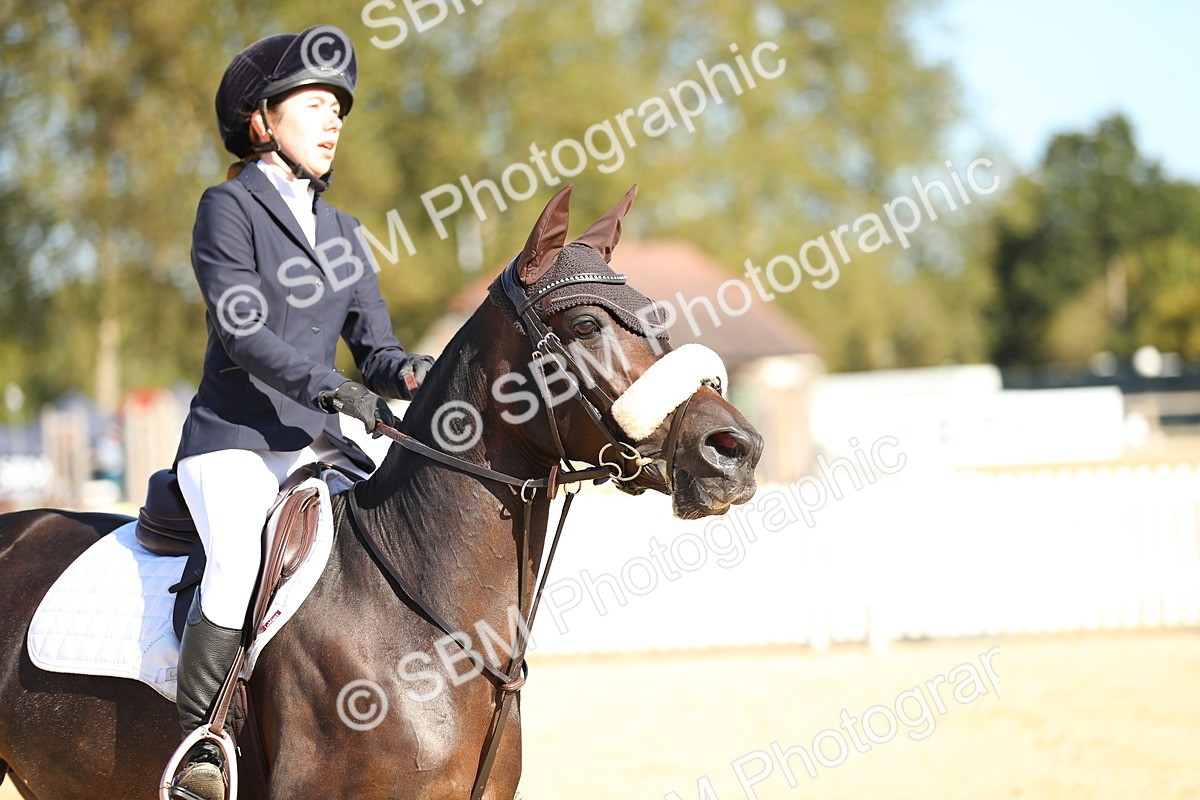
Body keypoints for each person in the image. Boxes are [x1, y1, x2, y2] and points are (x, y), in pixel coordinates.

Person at [168, 26, 432, 800]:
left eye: (339, 110)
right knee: (237, 564)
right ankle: (201, 745)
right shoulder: (228, 208)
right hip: (235, 441)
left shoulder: (345, 232)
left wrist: (412, 371)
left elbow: (376, 351)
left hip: (315, 445)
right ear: (263, 120)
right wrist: (336, 391)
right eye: (315, 104)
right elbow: (244, 333)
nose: (332, 121)